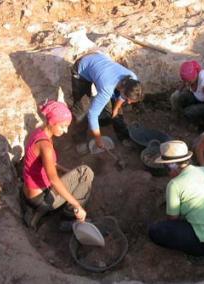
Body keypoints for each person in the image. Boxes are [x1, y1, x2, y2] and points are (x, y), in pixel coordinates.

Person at [148, 140, 204, 257]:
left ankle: (199, 255)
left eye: (165, 167)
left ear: (171, 166)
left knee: (156, 231)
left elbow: (172, 219)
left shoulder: (174, 185)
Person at [21, 100, 94, 230]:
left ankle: (36, 212)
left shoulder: (39, 133)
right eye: (62, 126)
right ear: (51, 122)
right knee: (86, 172)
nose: (65, 131)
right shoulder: (46, 147)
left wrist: (67, 172)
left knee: (77, 173)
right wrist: (77, 206)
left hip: (29, 192)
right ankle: (68, 218)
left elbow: (50, 164)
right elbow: (54, 180)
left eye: (67, 126)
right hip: (41, 198)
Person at [70, 51, 144, 146]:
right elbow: (92, 113)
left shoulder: (133, 79)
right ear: (122, 89)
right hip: (82, 69)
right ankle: (79, 140)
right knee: (82, 109)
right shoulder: (107, 88)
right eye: (128, 99)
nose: (129, 102)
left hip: (100, 68)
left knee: (114, 108)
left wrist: (116, 109)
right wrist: (98, 139)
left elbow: (122, 96)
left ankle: (121, 134)